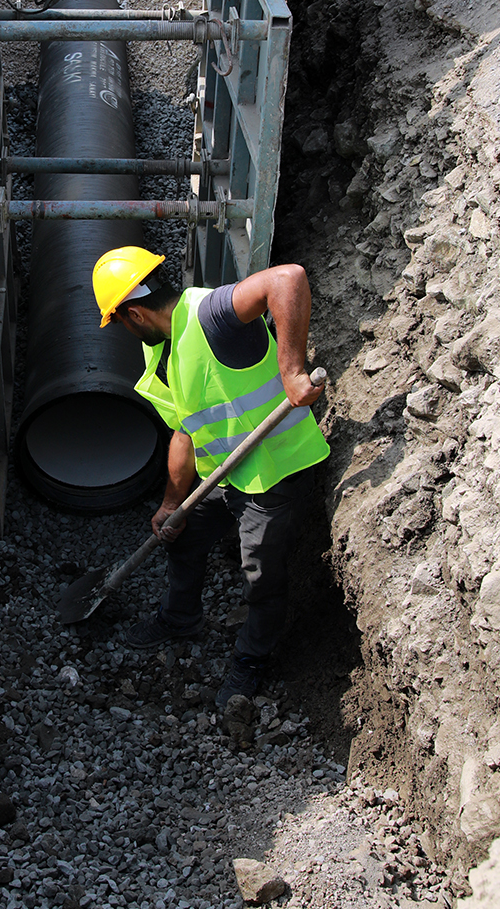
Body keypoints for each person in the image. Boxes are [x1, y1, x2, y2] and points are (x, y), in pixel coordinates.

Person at [91, 246, 330, 710]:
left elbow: (289, 277)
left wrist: (293, 370)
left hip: (273, 472)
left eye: (116, 320)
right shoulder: (160, 348)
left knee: (261, 576)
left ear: (134, 313)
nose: (120, 330)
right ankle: (180, 617)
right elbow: (186, 431)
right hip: (225, 476)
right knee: (182, 533)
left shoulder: (210, 315)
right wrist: (170, 505)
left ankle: (252, 659)